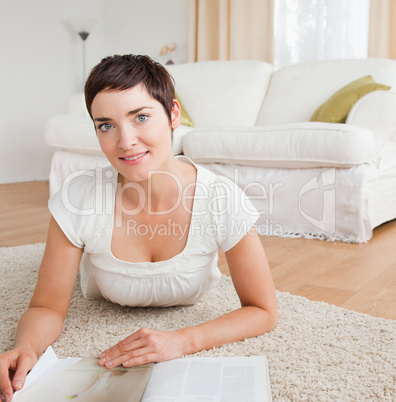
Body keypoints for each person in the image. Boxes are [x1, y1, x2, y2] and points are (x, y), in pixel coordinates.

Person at [0, 54, 277, 402]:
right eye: (106, 125)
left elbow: (263, 310)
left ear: (173, 114)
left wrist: (182, 340)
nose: (125, 141)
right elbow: (46, 307)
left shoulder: (222, 198)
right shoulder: (79, 196)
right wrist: (26, 348)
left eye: (141, 117)